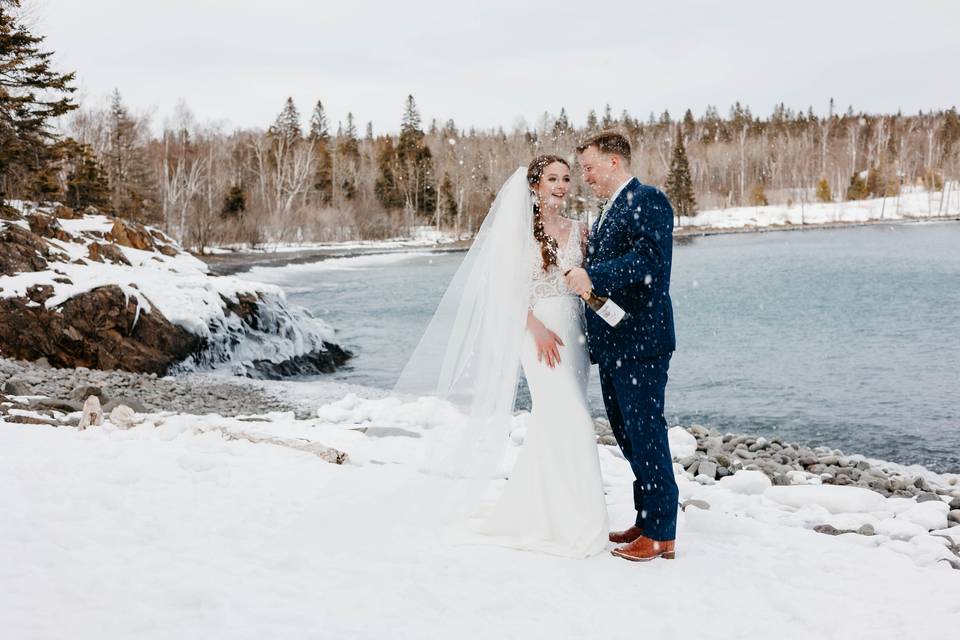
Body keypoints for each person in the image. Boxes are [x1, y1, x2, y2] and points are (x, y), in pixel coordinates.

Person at [565, 132, 678, 562]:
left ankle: (662, 534)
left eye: (590, 168)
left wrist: (595, 277)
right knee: (630, 436)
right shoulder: (608, 210)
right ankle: (646, 517)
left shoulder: (648, 200)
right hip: (615, 345)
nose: (586, 177)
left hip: (642, 343)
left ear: (614, 162)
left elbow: (651, 264)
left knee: (647, 434)